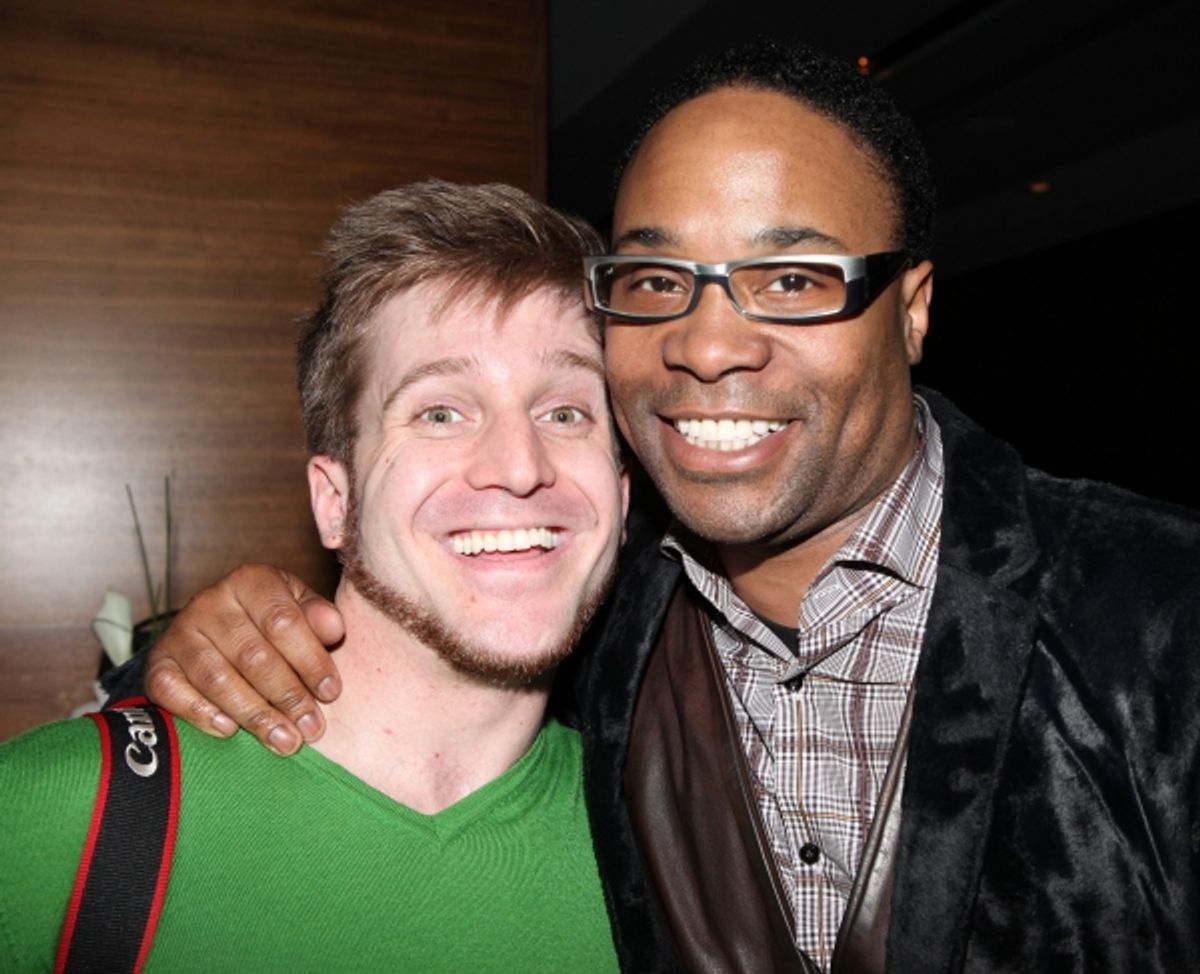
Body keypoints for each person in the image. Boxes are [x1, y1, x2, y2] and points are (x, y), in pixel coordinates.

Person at [131, 41, 1200, 973]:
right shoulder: (593, 616)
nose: (708, 342)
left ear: (911, 310)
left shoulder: (1160, 617)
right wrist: (217, 642)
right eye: (653, 281)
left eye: (792, 279)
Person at [0, 181, 627, 972]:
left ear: (623, 493)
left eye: (566, 412)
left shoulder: (670, 857)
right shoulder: (56, 817)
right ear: (335, 501)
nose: (520, 465)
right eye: (440, 412)